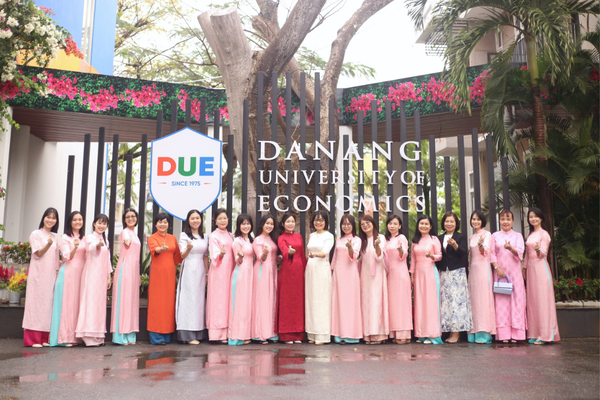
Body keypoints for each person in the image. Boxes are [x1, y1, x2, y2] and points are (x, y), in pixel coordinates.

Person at [23, 207, 60, 347]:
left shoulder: (54, 238)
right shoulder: (36, 234)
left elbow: (56, 261)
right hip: (38, 275)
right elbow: (38, 253)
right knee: (35, 305)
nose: (50, 220)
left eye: (53, 218)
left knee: (47, 306)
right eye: (48, 217)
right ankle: (32, 339)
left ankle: (44, 337)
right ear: (43, 218)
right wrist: (48, 244)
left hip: (50, 277)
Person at [75, 214, 112, 347]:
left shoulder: (106, 240)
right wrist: (97, 245)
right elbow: (90, 249)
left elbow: (107, 260)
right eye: (99, 223)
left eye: (104, 223)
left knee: (99, 305)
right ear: (94, 224)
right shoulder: (89, 238)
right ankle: (88, 336)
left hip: (101, 276)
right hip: (91, 274)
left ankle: (98, 336)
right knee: (90, 303)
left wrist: (108, 276)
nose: (102, 226)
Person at [524, 208, 560, 344]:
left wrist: (538, 249)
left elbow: (543, 253)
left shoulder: (544, 234)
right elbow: (527, 255)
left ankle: (545, 335)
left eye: (536, 216)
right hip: (531, 270)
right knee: (533, 302)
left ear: (541, 218)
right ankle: (534, 333)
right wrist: (524, 268)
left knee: (542, 301)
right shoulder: (530, 234)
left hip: (541, 269)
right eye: (531, 217)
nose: (533, 219)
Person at [50, 211, 85, 347]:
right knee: (67, 305)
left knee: (77, 305)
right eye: (75, 219)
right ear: (70, 222)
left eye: (80, 219)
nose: (78, 222)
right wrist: (75, 247)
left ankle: (76, 337)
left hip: (81, 274)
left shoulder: (84, 238)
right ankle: (64, 338)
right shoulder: (65, 237)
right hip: (68, 274)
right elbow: (66, 257)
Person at [436, 211, 472, 343]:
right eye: (447, 221)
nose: (449, 223)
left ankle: (456, 333)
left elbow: (464, 253)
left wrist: (455, 245)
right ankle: (449, 331)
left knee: (457, 302)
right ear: (443, 223)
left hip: (457, 272)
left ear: (456, 223)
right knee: (446, 302)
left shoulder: (460, 236)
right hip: (444, 273)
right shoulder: (439, 238)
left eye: (452, 221)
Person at [147, 213, 182, 345]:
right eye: (160, 222)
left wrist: (175, 274)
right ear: (156, 224)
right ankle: (156, 336)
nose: (162, 224)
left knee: (168, 304)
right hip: (157, 275)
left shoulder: (172, 238)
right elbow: (155, 250)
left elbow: (177, 258)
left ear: (168, 224)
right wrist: (161, 249)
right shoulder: (152, 238)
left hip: (170, 275)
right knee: (157, 304)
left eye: (165, 222)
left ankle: (167, 334)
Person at [490, 209, 525, 343]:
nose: (505, 222)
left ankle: (517, 334)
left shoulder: (518, 236)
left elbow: (520, 253)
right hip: (500, 274)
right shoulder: (495, 236)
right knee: (502, 302)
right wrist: (497, 268)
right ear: (499, 221)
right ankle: (504, 334)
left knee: (517, 301)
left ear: (513, 221)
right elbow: (492, 254)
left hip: (515, 273)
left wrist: (511, 248)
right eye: (503, 219)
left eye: (508, 219)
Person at [176, 209, 210, 344]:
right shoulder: (184, 235)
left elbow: (205, 256)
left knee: (199, 300)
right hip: (189, 268)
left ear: (201, 220)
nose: (195, 220)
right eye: (192, 218)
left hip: (201, 269)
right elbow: (182, 255)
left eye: (197, 218)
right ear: (188, 221)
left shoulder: (205, 236)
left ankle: (198, 332)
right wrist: (189, 248)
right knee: (188, 299)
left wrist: (207, 273)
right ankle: (187, 334)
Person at [410, 214, 443, 345]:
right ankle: (421, 334)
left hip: (430, 273)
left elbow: (440, 256)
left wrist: (432, 256)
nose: (423, 226)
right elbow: (413, 259)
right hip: (418, 273)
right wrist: (412, 276)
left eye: (426, 224)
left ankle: (432, 334)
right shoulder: (415, 241)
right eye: (421, 223)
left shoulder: (434, 239)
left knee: (430, 303)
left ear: (430, 226)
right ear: (418, 225)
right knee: (420, 303)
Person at [330, 214, 362, 344]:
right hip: (339, 274)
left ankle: (352, 334)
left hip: (350, 275)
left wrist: (349, 247)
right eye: (344, 224)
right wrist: (331, 270)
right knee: (338, 303)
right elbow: (335, 257)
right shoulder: (338, 239)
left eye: (349, 224)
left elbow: (354, 256)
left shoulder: (356, 239)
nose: (346, 226)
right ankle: (339, 334)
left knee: (350, 303)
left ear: (353, 225)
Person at [111, 208, 141, 345]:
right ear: (124, 220)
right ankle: (120, 336)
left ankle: (130, 335)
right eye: (128, 216)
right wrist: (126, 242)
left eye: (133, 216)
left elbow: (137, 257)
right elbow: (126, 241)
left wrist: (138, 275)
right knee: (123, 301)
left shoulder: (135, 234)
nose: (130, 218)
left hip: (133, 271)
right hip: (125, 270)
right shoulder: (125, 232)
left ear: (136, 218)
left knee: (131, 302)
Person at [305, 210, 335, 345]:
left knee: (322, 300)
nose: (318, 222)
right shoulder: (312, 235)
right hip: (310, 269)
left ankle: (322, 335)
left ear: (325, 222)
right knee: (311, 299)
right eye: (316, 220)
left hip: (322, 269)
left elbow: (325, 252)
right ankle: (312, 333)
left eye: (321, 220)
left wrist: (316, 254)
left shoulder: (329, 236)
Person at [276, 213, 307, 344]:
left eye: (292, 221)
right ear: (283, 224)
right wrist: (288, 252)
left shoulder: (299, 236)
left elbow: (303, 255)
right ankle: (286, 335)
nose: (290, 224)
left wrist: (306, 269)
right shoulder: (281, 238)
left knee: (298, 302)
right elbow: (284, 250)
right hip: (287, 272)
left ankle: (298, 334)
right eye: (288, 221)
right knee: (287, 302)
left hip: (299, 272)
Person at [358, 214, 389, 344]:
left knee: (376, 303)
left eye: (367, 223)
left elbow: (380, 257)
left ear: (373, 223)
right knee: (366, 304)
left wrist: (377, 245)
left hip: (377, 276)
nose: (365, 225)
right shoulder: (362, 241)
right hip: (364, 276)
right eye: (362, 224)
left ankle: (378, 334)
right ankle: (367, 335)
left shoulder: (380, 238)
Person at [467, 211, 496, 344]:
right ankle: (473, 332)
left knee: (483, 300)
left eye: (478, 219)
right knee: (474, 301)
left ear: (482, 221)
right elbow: (471, 257)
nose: (476, 221)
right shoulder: (471, 237)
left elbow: (486, 252)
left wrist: (480, 245)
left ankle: (484, 334)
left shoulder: (487, 234)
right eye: (473, 219)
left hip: (483, 269)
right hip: (473, 271)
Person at [207, 208, 235, 343]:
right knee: (218, 301)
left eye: (225, 218)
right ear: (215, 221)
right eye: (220, 218)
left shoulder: (230, 235)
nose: (223, 221)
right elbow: (214, 255)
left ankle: (226, 333)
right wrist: (221, 254)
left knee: (227, 300)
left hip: (229, 270)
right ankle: (216, 334)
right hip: (218, 272)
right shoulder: (214, 236)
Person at [384, 215, 412, 344]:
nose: (392, 226)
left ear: (400, 226)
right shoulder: (386, 240)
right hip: (389, 274)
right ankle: (394, 333)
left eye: (395, 224)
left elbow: (404, 254)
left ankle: (403, 334)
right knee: (392, 303)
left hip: (400, 273)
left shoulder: (402, 238)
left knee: (401, 303)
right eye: (390, 223)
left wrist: (400, 250)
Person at [251, 214, 279, 344]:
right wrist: (265, 253)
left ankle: (270, 332)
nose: (269, 226)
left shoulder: (272, 239)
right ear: (262, 224)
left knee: (271, 300)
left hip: (272, 271)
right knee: (262, 300)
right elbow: (260, 257)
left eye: (271, 224)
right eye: (267, 223)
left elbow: (275, 258)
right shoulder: (258, 240)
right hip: (262, 271)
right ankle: (260, 333)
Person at [228, 214, 255, 345]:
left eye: (248, 223)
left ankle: (246, 334)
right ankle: (237, 335)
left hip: (250, 274)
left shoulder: (251, 240)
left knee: (247, 305)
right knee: (239, 304)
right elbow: (237, 260)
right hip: (241, 274)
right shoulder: (237, 241)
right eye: (243, 224)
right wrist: (240, 256)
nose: (246, 226)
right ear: (238, 226)